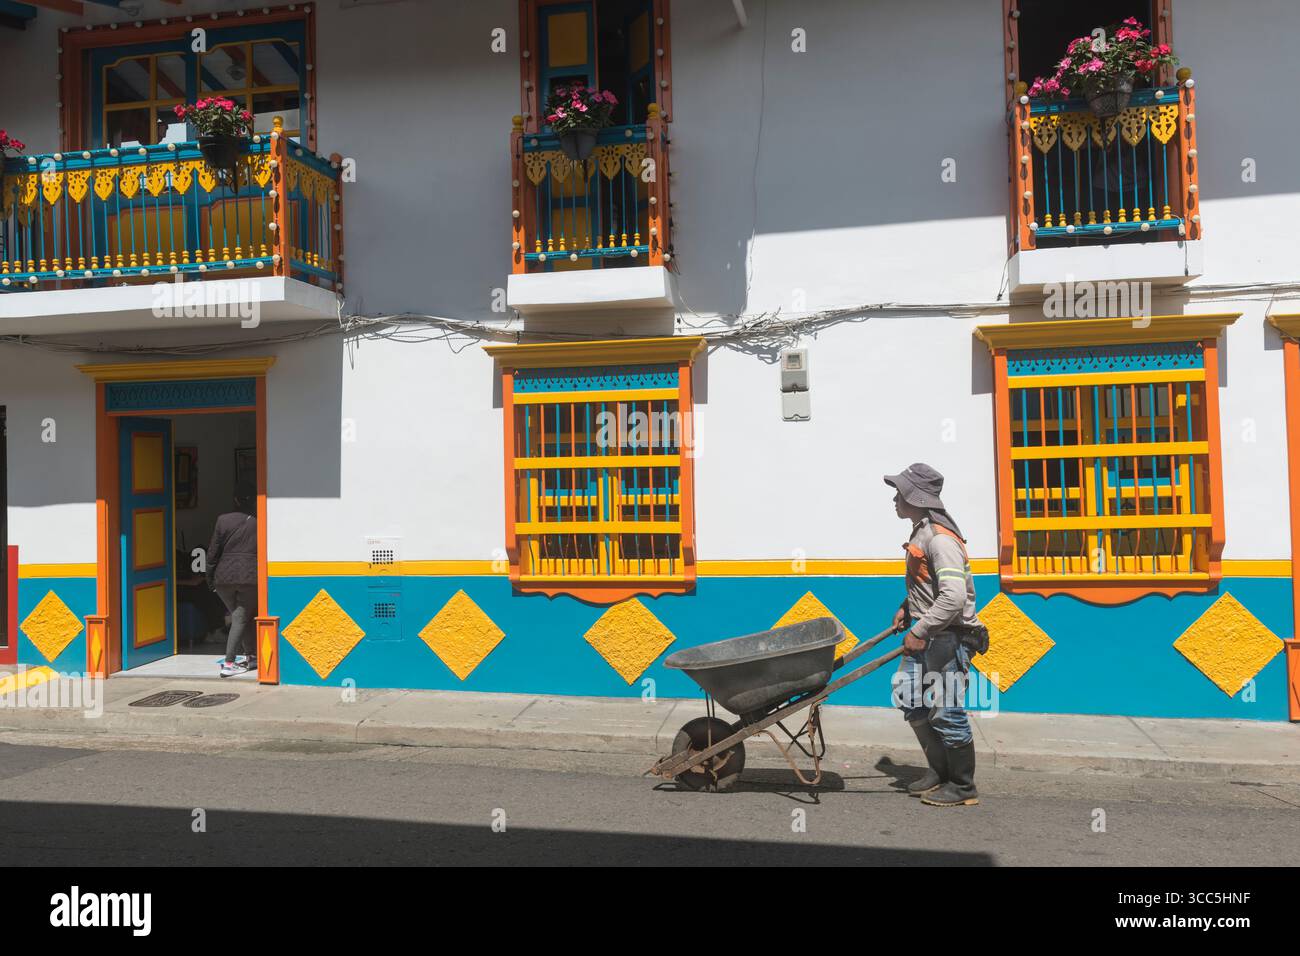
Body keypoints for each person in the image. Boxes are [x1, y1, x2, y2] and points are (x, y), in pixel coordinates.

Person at [884, 463, 985, 808]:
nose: (895, 499)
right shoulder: (922, 531)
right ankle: (938, 771)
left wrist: (919, 628)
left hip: (946, 638)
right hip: (925, 634)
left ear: (915, 497)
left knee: (946, 711)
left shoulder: (941, 540)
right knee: (910, 698)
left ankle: (962, 785)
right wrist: (907, 607)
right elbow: (930, 584)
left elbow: (954, 597)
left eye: (900, 493)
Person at [207, 483, 258, 678]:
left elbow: (212, 553)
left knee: (240, 618)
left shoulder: (222, 520)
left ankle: (251, 656)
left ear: (235, 500)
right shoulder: (258, 522)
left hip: (223, 579)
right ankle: (229, 663)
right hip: (248, 577)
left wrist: (210, 580)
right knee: (240, 618)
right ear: (254, 501)